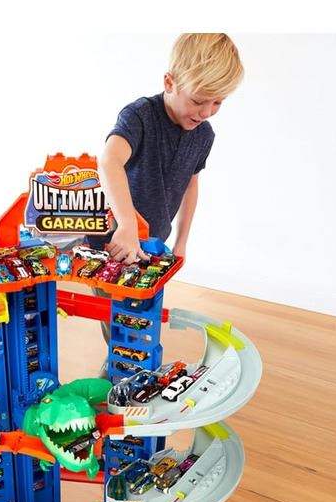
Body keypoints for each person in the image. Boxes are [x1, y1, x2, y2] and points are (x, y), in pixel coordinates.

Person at [91, 33, 245, 365]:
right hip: (116, 242)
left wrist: (182, 241)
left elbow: (191, 184)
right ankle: (121, 372)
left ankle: (130, 368)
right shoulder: (139, 117)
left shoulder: (203, 135)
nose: (206, 112)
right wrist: (127, 225)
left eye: (217, 103)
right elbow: (108, 161)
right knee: (123, 327)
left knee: (142, 317)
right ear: (170, 83)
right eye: (198, 100)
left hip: (154, 242)